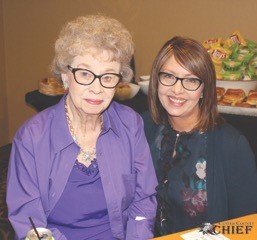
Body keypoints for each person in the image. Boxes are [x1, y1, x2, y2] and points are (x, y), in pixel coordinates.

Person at [7, 15, 157, 240]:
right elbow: (27, 218)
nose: (97, 88)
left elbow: (144, 200)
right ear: (66, 76)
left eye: (108, 76)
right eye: (85, 74)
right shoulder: (32, 137)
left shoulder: (130, 124)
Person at [142, 36, 257, 236]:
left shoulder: (231, 145)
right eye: (169, 76)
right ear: (156, 80)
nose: (177, 89)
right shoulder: (142, 128)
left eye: (191, 80)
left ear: (204, 88)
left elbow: (247, 227)